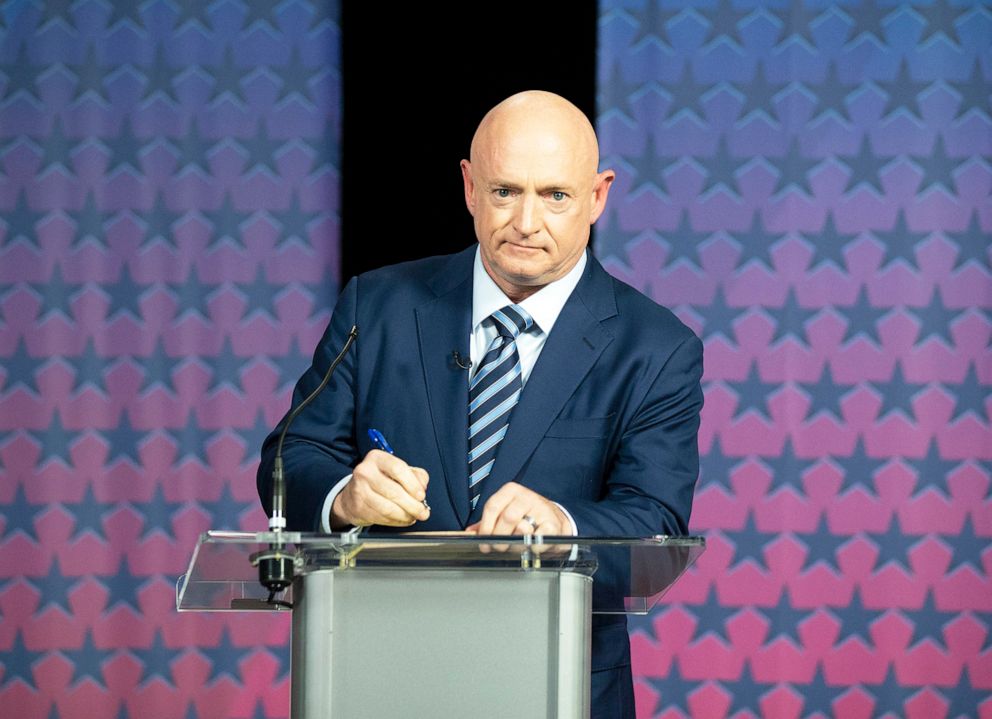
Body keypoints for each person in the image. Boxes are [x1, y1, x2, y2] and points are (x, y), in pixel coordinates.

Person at [258, 90, 704, 717]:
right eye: (504, 192)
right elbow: (292, 453)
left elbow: (657, 524)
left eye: (555, 195)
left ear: (598, 196)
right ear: (469, 187)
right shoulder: (378, 306)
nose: (525, 222)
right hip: (377, 672)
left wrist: (560, 523)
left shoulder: (656, 347)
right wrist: (342, 499)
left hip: (561, 685)